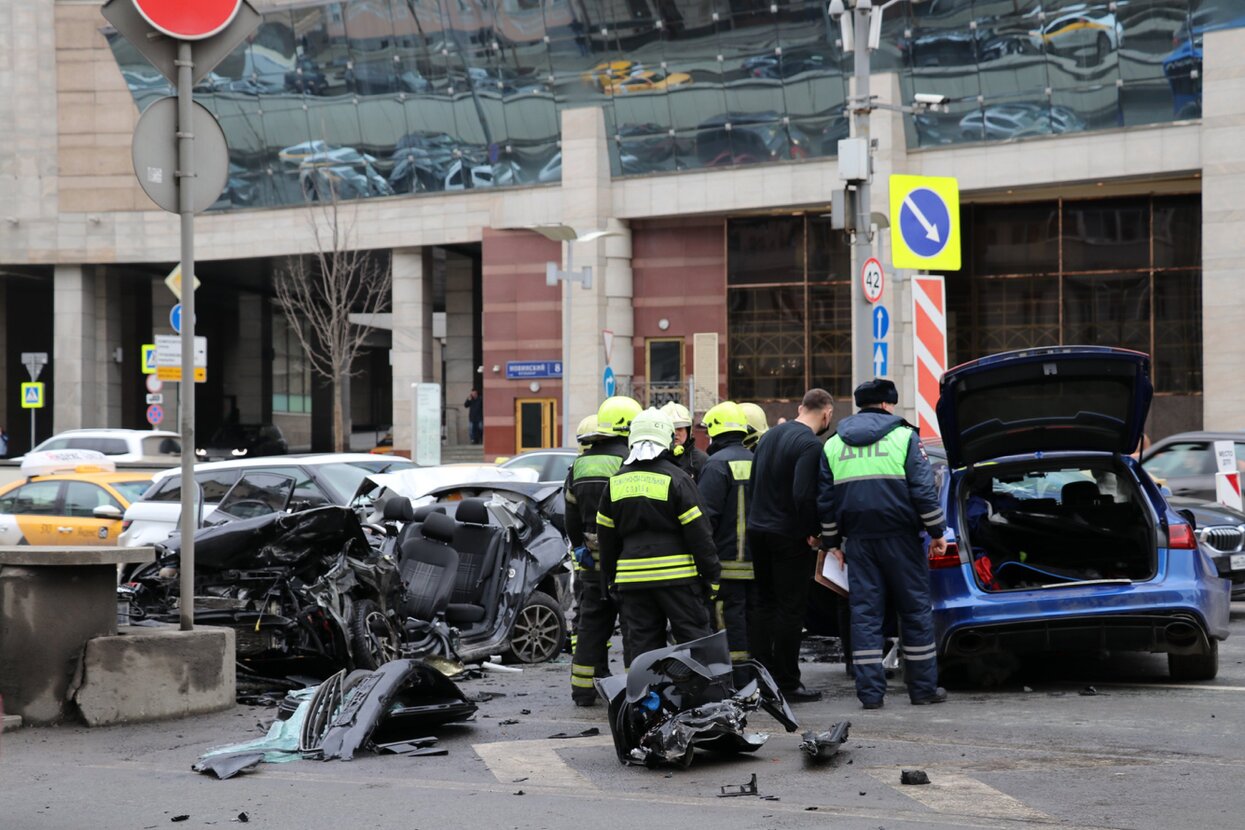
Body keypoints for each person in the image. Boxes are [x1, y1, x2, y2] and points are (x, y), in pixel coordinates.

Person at [818, 378, 948, 710]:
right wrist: (937, 533)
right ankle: (922, 690)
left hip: (859, 543)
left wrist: (833, 542)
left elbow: (826, 501)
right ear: (888, 405)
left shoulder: (833, 444)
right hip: (902, 539)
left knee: (864, 616)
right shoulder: (904, 437)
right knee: (915, 611)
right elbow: (923, 491)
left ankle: (871, 694)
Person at [597, 408, 720, 657]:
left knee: (642, 649)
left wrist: (611, 578)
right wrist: (712, 576)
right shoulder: (679, 479)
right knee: (695, 641)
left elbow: (606, 539)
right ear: (665, 438)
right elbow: (700, 534)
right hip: (678, 580)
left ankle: (645, 695)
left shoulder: (616, 482)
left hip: (632, 581)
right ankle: (702, 694)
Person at [745, 388, 835, 702]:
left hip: (757, 530)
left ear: (799, 407)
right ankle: (787, 683)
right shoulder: (810, 444)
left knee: (763, 604)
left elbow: (754, 482)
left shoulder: (769, 436)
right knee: (790, 609)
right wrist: (813, 531)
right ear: (827, 414)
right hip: (787, 535)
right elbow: (803, 494)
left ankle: (760, 678)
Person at [563, 395, 642, 705]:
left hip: (591, 565)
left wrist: (581, 546)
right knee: (635, 628)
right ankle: (634, 692)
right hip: (626, 561)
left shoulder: (580, 464)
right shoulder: (629, 460)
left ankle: (582, 690)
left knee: (592, 627)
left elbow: (570, 517)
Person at [697, 401, 758, 662]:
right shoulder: (757, 460)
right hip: (757, 564)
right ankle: (752, 677)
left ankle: (734, 680)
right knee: (750, 623)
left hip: (725, 564)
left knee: (726, 624)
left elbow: (705, 519)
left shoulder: (715, 465)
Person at [661, 401, 709, 482]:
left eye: (679, 429)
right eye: (670, 429)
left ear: (688, 431)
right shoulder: (654, 458)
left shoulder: (701, 460)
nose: (675, 433)